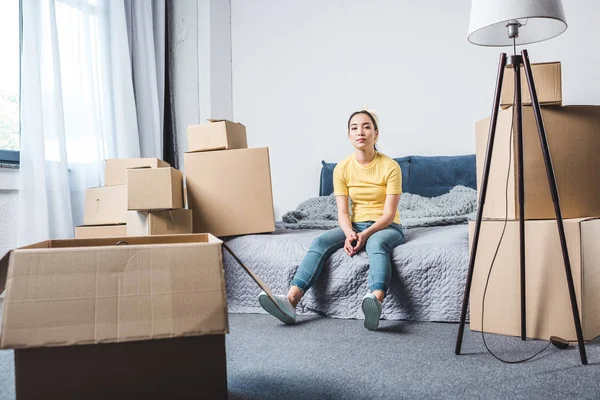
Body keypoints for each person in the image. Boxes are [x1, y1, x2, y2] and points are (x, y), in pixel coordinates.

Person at [258, 108, 405, 330]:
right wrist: (349, 233)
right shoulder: (342, 168)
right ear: (349, 136)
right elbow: (343, 213)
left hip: (387, 226)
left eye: (366, 127)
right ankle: (291, 300)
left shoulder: (391, 166)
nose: (360, 132)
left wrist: (365, 235)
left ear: (376, 134)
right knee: (319, 242)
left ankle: (375, 299)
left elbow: (389, 214)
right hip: (355, 225)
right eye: (354, 128)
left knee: (376, 243)